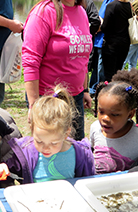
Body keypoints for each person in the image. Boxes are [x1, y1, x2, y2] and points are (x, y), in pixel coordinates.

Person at [0, 85, 95, 184]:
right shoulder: (26, 152)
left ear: (66, 133)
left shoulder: (80, 154)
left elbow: (89, 183)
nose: (45, 148)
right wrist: (0, 170)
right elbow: (8, 172)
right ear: (32, 130)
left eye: (54, 143)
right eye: (39, 141)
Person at [22, 0, 93, 141]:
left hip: (76, 97)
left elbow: (82, 57)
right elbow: (31, 61)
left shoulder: (81, 12)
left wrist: (84, 90)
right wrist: (34, 105)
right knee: (50, 150)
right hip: (49, 98)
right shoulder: (44, 12)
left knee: (75, 150)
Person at [90, 68, 138, 174]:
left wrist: (136, 171)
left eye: (114, 114)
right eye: (101, 111)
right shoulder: (95, 127)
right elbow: (91, 151)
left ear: (130, 114)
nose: (105, 118)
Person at [101, 0, 132, 82]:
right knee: (118, 72)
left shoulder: (111, 6)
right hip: (125, 44)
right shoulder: (129, 6)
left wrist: (101, 22)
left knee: (109, 74)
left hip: (111, 44)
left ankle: (109, 92)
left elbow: (105, 27)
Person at [89, 0, 113, 97]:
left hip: (104, 41)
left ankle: (99, 90)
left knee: (101, 68)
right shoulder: (105, 2)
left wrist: (98, 26)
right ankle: (93, 88)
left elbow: (107, 22)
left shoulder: (112, 2)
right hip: (97, 40)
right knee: (96, 67)